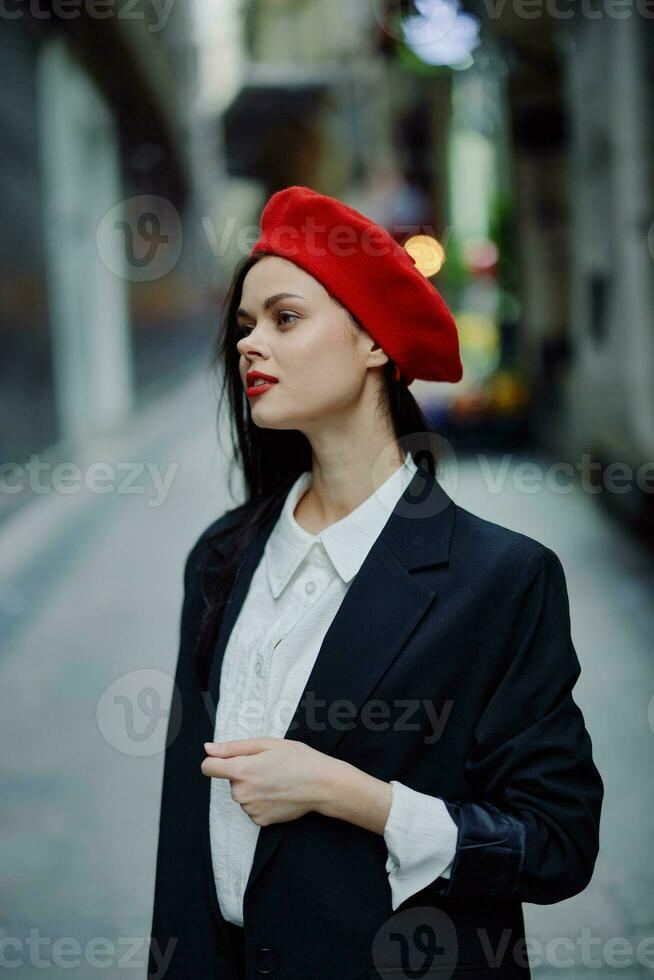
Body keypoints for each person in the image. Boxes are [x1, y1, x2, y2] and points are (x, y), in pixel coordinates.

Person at [147, 186, 604, 980]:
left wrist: (352, 794)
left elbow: (557, 842)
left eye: (285, 319)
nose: (250, 346)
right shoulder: (221, 555)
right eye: (245, 327)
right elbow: (185, 842)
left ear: (374, 344)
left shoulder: (500, 577)